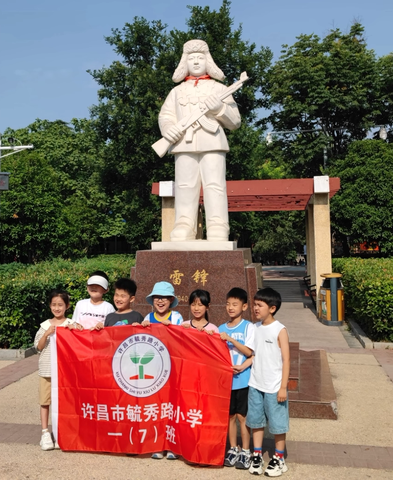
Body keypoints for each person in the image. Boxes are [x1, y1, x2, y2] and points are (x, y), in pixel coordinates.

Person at [157, 39, 241, 242]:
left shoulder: (220, 89)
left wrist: (219, 110)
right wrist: (169, 130)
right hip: (183, 142)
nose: (195, 62)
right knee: (185, 186)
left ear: (208, 60)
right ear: (184, 62)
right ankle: (184, 224)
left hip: (212, 142)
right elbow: (165, 116)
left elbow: (235, 121)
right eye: (191, 58)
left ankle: (218, 225)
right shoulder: (176, 91)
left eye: (200, 58)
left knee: (215, 185)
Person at [247, 287, 290, 477]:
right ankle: (257, 455)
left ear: (272, 308)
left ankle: (279, 458)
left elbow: (286, 360)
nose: (256, 308)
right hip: (255, 383)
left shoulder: (280, 330)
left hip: (274, 386)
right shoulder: (254, 328)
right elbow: (252, 354)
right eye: (255, 304)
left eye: (259, 305)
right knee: (256, 421)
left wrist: (283, 387)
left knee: (278, 424)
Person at [142, 281, 183, 461]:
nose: (160, 301)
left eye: (164, 298)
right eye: (157, 297)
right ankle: (157, 445)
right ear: (152, 300)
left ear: (171, 300)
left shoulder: (177, 317)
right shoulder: (147, 318)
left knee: (172, 408)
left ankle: (172, 445)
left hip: (173, 370)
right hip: (154, 371)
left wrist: (173, 329)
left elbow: (183, 340)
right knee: (155, 407)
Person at [34, 290, 79, 450]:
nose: (57, 308)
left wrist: (75, 330)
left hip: (65, 372)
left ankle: (62, 432)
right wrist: (46, 334)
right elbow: (38, 347)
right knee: (45, 402)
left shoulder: (72, 324)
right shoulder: (45, 325)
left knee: (65, 403)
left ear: (67, 306)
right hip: (47, 371)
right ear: (49, 306)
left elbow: (81, 342)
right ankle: (45, 432)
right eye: (54, 305)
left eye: (60, 305)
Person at [218, 287, 255, 469]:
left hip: (244, 380)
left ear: (244, 306)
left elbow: (250, 352)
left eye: (235, 304)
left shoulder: (248, 327)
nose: (230, 307)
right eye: (228, 304)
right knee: (230, 416)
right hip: (226, 383)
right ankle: (233, 448)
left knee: (242, 417)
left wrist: (231, 340)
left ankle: (246, 450)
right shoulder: (221, 329)